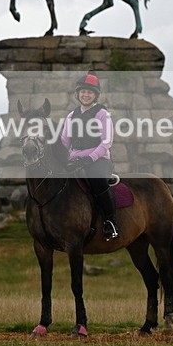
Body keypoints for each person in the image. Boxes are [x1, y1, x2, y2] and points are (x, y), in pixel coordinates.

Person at [60, 71, 119, 241]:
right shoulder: (71, 116)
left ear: (95, 95)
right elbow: (64, 142)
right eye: (83, 92)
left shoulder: (102, 114)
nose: (86, 95)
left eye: (90, 92)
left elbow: (106, 142)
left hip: (98, 159)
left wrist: (89, 158)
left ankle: (110, 221)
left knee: (97, 180)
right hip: (75, 160)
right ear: (78, 94)